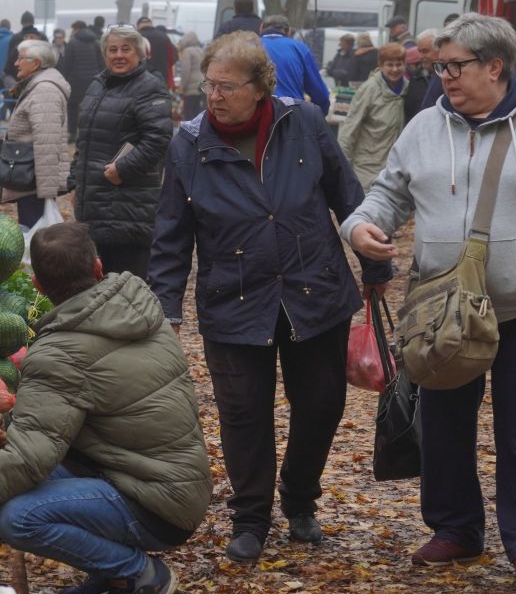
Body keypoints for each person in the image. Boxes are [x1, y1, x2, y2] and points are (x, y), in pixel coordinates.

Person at [342, 14, 516, 587]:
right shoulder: (423, 128)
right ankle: (455, 529)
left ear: (494, 67)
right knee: (443, 422)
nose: (445, 77)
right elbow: (389, 193)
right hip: (442, 311)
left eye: (455, 66)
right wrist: (361, 226)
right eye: (439, 67)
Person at [149, 32, 390, 564]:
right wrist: (165, 307)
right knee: (243, 413)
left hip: (314, 288)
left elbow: (346, 194)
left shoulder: (301, 122)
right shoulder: (188, 143)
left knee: (323, 404)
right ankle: (250, 517)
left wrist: (375, 262)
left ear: (261, 87)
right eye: (209, 85)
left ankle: (300, 497)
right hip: (232, 297)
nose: (214, 96)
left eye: (227, 87)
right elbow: (171, 231)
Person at [0, 222, 212, 594]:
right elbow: (83, 411)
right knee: (31, 470)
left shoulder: (60, 353)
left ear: (36, 283)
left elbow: (30, 458)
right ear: (99, 268)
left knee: (18, 517)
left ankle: (142, 575)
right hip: (174, 480)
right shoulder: (138, 307)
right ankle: (111, 573)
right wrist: (7, 424)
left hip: (158, 504)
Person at [70, 25, 175, 279]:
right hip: (94, 204)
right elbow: (85, 139)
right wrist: (76, 181)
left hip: (128, 206)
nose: (118, 55)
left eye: (126, 49)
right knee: (98, 283)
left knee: (125, 286)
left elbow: (159, 138)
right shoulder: (98, 85)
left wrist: (123, 169)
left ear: (139, 54)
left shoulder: (149, 87)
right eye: (112, 49)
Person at [0, 39, 70, 226]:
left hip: (34, 184)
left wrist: (45, 194)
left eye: (21, 58)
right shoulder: (37, 87)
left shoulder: (44, 90)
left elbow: (47, 142)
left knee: (37, 238)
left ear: (36, 63)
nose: (15, 63)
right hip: (30, 179)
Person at [338, 42, 407, 189]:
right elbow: (349, 129)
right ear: (380, 65)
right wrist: (342, 167)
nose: (395, 69)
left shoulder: (408, 89)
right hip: (367, 169)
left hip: (395, 168)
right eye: (389, 65)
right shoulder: (369, 89)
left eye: (399, 64)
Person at [259, 14, 330, 114]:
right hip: (290, 115)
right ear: (288, 31)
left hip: (255, 115)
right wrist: (320, 116)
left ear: (261, 28)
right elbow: (319, 93)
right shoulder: (299, 48)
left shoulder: (248, 46)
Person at [61, 19, 105, 144]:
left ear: (76, 29)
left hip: (75, 82)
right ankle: (88, 134)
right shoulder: (96, 42)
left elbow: (67, 64)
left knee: (73, 108)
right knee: (91, 109)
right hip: (93, 82)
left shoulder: (72, 43)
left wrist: (65, 79)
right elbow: (102, 64)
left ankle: (73, 134)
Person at [403, 29, 438, 123]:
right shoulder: (415, 78)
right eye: (420, 51)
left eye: (425, 51)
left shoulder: (448, 78)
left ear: (438, 50)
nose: (421, 56)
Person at [3, 11, 45, 82]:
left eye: (32, 37)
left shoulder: (15, 38)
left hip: (17, 78)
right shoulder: (42, 37)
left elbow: (9, 62)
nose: (29, 39)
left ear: (21, 22)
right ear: (33, 22)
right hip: (37, 78)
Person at [175, 31, 205, 119]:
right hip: (201, 87)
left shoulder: (187, 51)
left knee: (189, 115)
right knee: (197, 115)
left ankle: (190, 132)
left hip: (191, 89)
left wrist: (181, 87)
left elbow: (185, 71)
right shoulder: (200, 50)